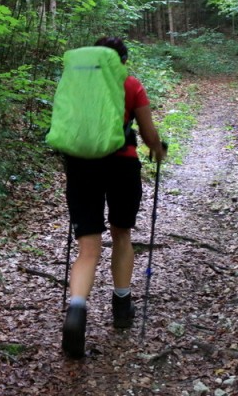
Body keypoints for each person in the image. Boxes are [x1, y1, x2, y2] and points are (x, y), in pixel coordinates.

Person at [61, 36, 166, 359]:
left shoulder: (76, 83)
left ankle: (77, 310)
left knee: (88, 246)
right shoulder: (130, 83)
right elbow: (148, 134)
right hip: (122, 165)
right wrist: (158, 149)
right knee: (122, 233)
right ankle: (122, 306)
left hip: (81, 167)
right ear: (121, 59)